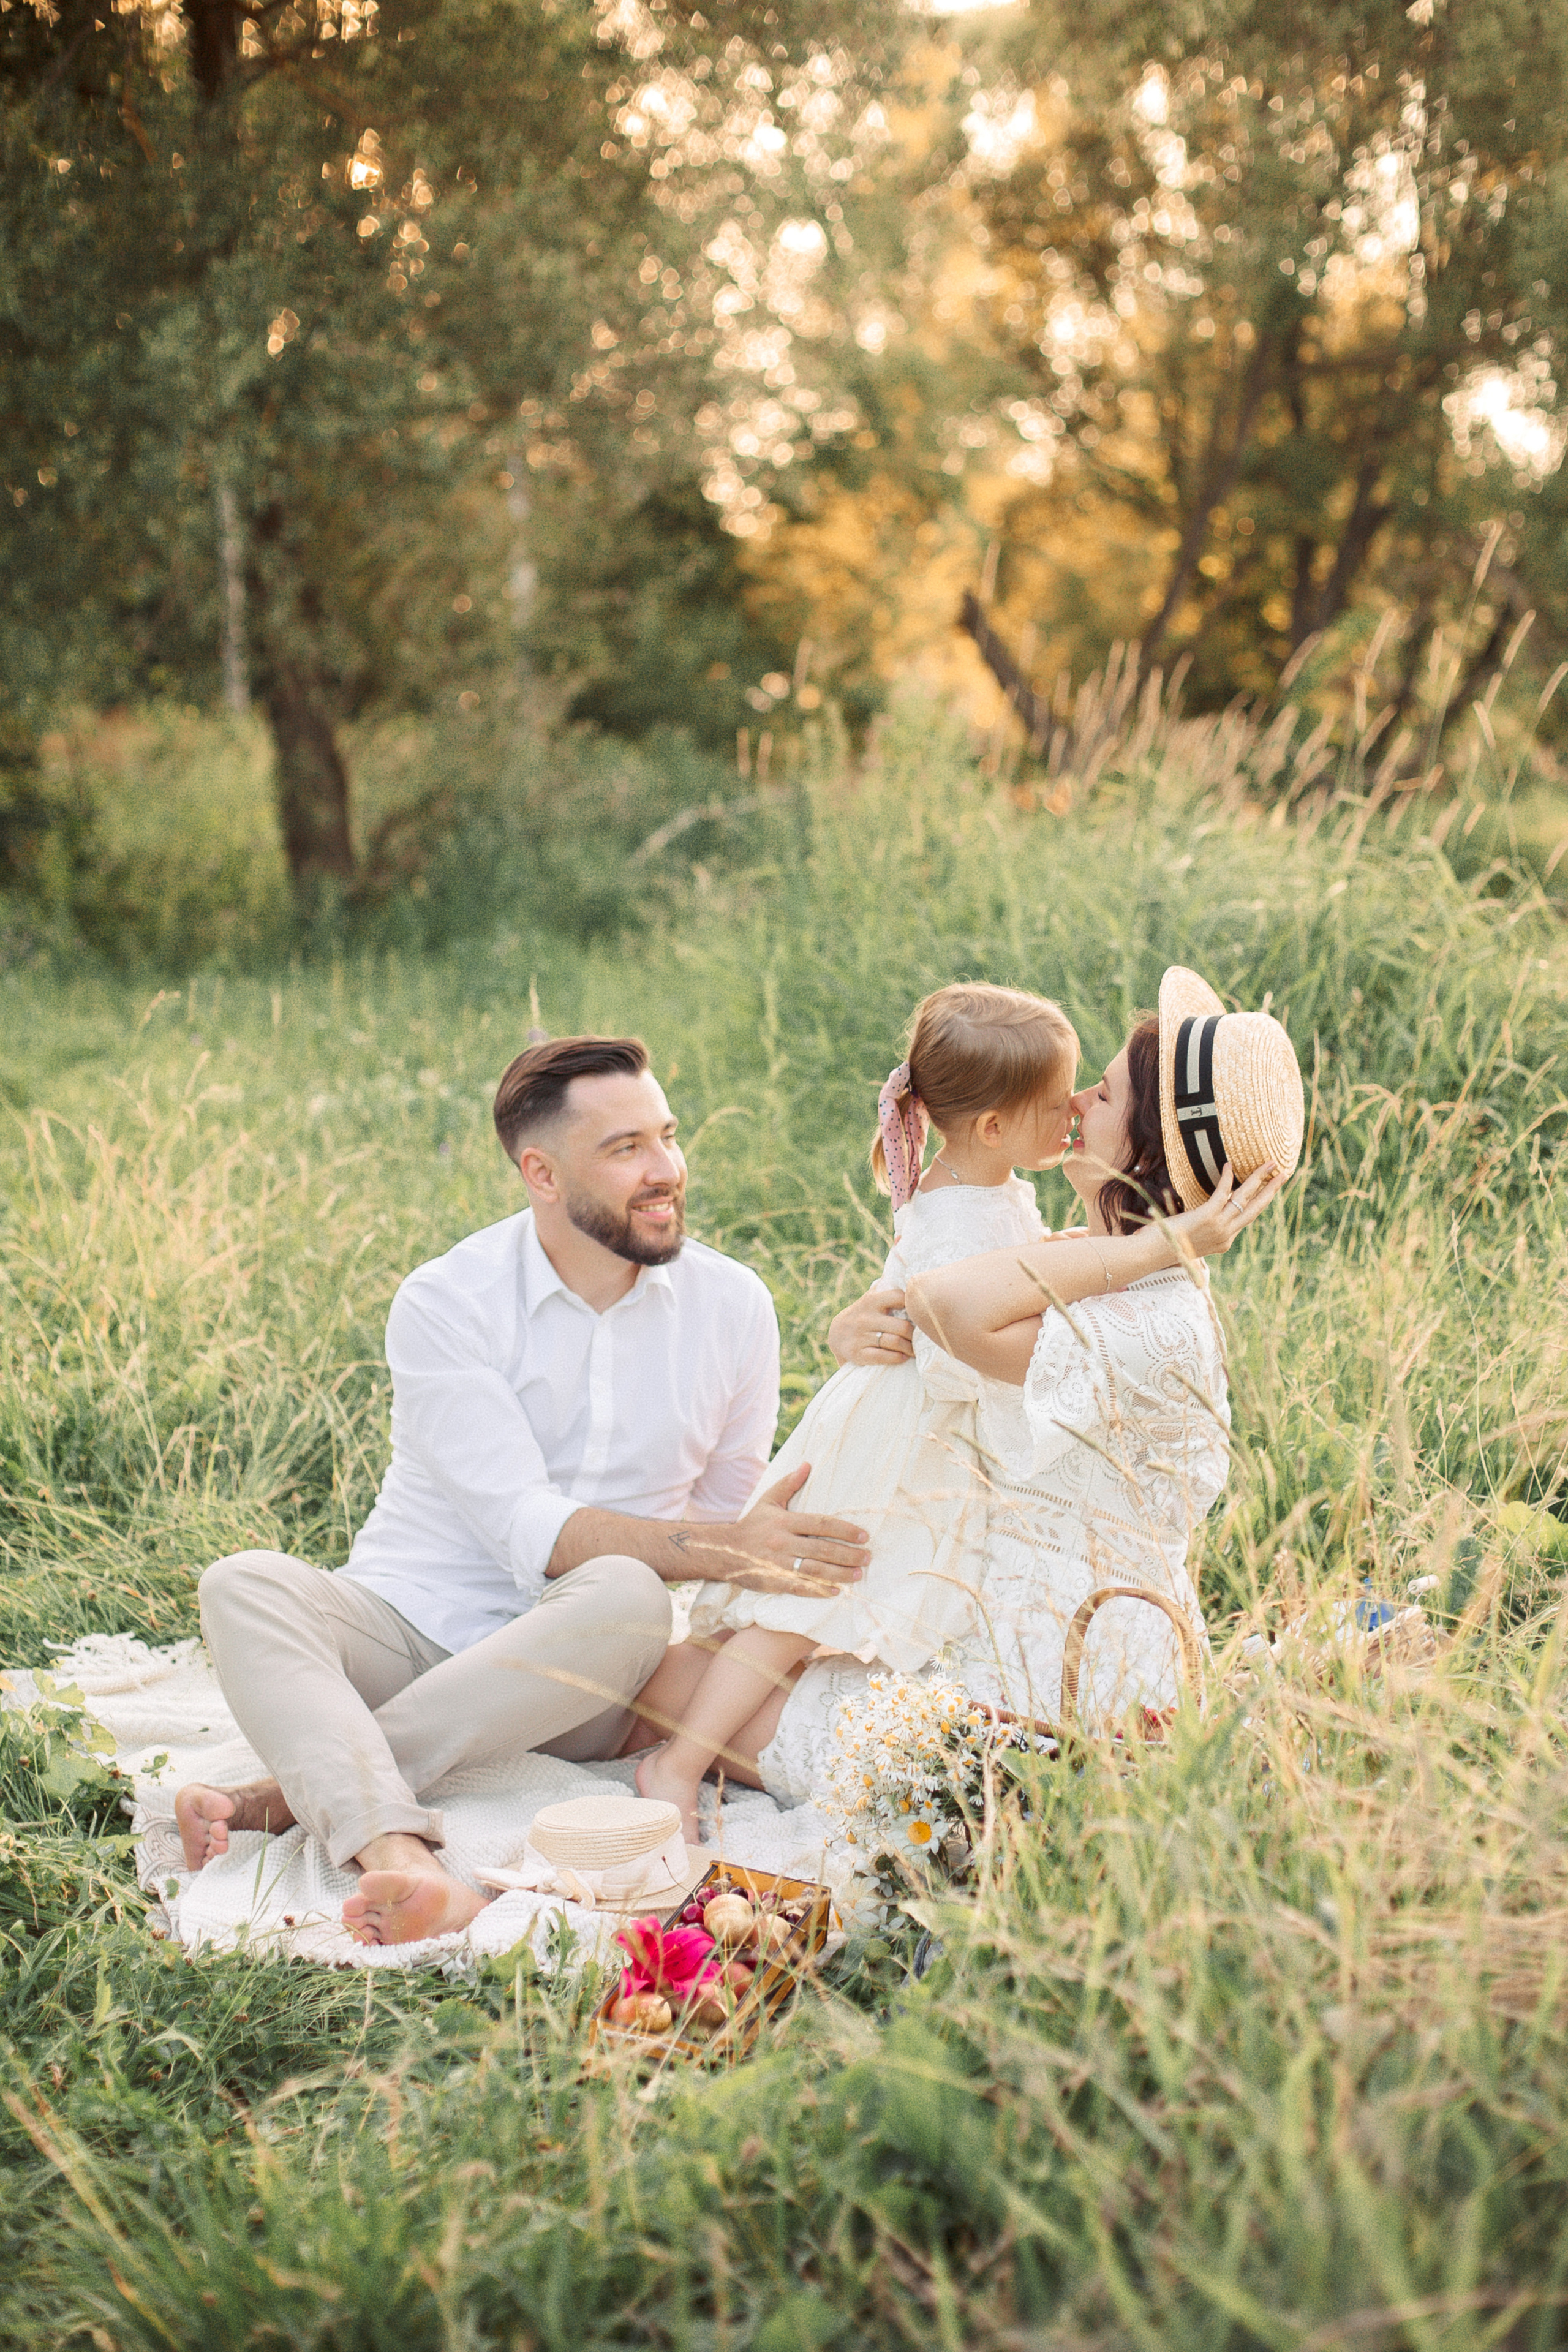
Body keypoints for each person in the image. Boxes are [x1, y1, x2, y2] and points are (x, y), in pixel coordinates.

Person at [173, 1033, 888, 1947]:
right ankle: (401, 1857)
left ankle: (301, 1792)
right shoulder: (446, 1302)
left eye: (667, 1137)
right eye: (625, 1149)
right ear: (542, 1173)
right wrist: (730, 1544)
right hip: (416, 1629)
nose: (665, 1169)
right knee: (243, 1583)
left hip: (587, 1670)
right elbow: (531, 1529)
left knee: (630, 1593)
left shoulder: (734, 1304)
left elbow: (718, 1528)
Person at [626, 969, 1302, 1804]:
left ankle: (686, 1764)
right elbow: (944, 1289)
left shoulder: (1155, 1321)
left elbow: (951, 1303)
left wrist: (1170, 1243)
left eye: (1104, 1093)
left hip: (1045, 1683)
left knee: (664, 1685)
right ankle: (685, 1752)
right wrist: (855, 1329)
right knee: (685, 1665)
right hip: (970, 1599)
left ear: (1147, 1150)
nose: (1078, 1101)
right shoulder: (1083, 1255)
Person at [636, 982, 1080, 1838]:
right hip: (902, 1438)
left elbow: (939, 1278)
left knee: (817, 1608)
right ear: (993, 1128)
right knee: (801, 1610)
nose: (1071, 1116)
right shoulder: (962, 1213)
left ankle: (700, 1733)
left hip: (904, 1425)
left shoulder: (976, 1188)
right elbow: (960, 1338)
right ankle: (678, 1762)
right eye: (1056, 1106)